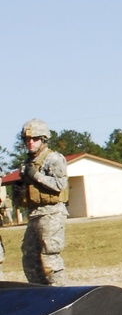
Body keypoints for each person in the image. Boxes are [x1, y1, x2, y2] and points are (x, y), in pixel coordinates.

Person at [18, 119, 68, 286]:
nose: (30, 143)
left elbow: (60, 185)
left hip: (51, 213)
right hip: (34, 214)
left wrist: (36, 176)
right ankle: (41, 294)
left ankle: (60, 295)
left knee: (50, 258)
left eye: (35, 139)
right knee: (29, 258)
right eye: (27, 139)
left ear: (44, 139)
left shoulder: (53, 158)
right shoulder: (27, 162)